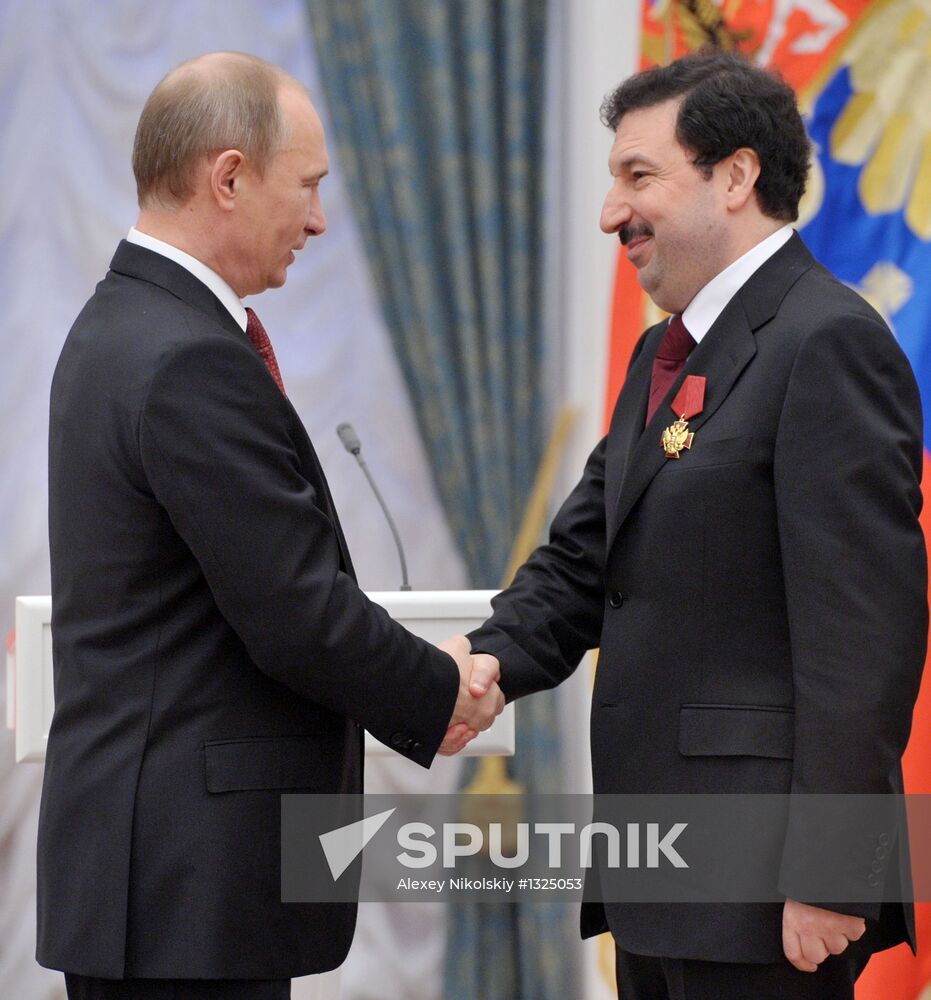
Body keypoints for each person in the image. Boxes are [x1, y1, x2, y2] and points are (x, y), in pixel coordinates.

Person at [38, 51, 502, 1000]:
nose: (319, 219)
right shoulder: (185, 359)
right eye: (310, 186)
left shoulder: (122, 326)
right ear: (229, 176)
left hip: (157, 880)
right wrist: (436, 687)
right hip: (184, 889)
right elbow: (293, 610)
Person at [466, 50, 927, 999]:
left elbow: (863, 638)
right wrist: (479, 667)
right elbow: (581, 559)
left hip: (768, 896)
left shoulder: (826, 341)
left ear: (735, 176)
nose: (610, 213)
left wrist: (833, 870)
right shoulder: (662, 353)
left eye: (639, 177)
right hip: (661, 872)